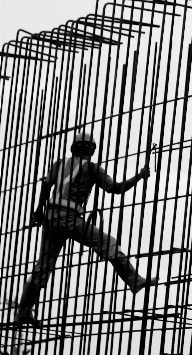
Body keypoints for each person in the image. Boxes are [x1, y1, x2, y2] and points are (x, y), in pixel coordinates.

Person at [14, 132, 157, 327]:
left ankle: (23, 311)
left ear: (74, 147)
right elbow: (114, 188)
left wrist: (38, 211)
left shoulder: (59, 164)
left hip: (51, 217)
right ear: (92, 150)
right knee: (108, 242)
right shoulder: (91, 168)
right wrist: (139, 177)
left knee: (42, 267)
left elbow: (46, 187)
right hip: (70, 219)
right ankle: (135, 280)